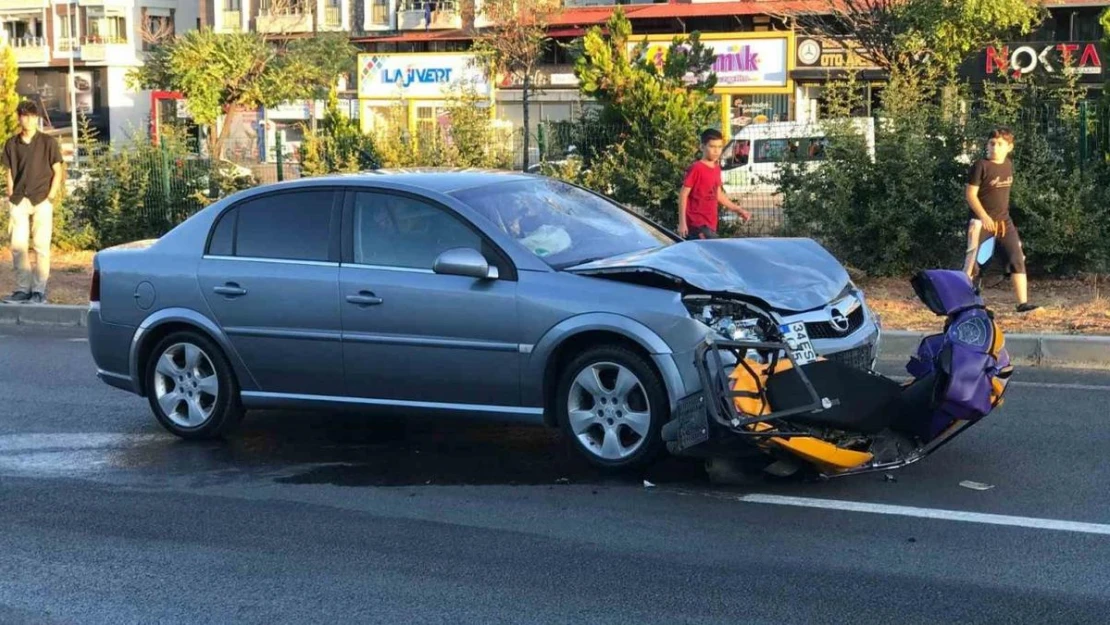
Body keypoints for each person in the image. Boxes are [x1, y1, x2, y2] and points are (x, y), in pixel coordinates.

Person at [964, 127, 1040, 313]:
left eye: (999, 144)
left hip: (1004, 222)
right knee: (974, 264)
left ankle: (1022, 304)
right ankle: (965, 305)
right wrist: (984, 217)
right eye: (991, 143)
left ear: (1009, 147)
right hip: (981, 222)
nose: (994, 147)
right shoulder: (980, 166)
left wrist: (999, 219)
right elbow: (970, 195)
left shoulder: (1007, 165)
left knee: (1017, 258)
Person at [2, 101, 62, 305]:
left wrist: (51, 196)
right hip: (19, 199)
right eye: (23, 115)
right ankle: (22, 290)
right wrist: (11, 194)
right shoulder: (11, 144)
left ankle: (38, 291)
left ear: (37, 118)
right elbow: (9, 171)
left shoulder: (48, 143)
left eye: (30, 115)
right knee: (18, 247)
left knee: (41, 246)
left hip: (42, 199)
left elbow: (58, 171)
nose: (26, 119)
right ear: (19, 118)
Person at [678, 128, 751, 240]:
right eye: (712, 147)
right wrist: (682, 223)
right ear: (702, 147)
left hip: (711, 224)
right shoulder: (697, 168)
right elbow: (683, 194)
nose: (716, 151)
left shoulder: (716, 168)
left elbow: (718, 194)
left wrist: (738, 210)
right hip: (697, 225)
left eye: (719, 147)